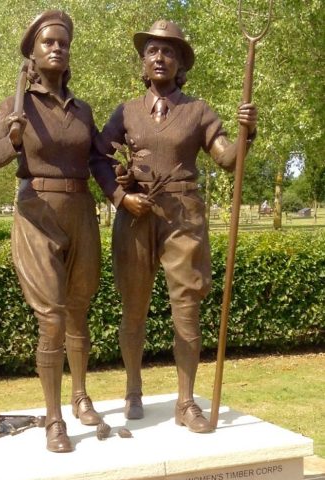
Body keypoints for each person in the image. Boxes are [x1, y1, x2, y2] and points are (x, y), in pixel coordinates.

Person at [94, 20, 257, 433]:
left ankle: (186, 402)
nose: (160, 57)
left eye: (169, 51)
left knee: (187, 308)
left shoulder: (198, 111)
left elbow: (226, 158)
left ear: (181, 62)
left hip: (184, 215)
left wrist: (246, 134)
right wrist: (119, 195)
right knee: (134, 306)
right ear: (144, 63)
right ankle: (133, 388)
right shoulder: (126, 111)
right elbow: (97, 157)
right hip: (135, 215)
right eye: (152, 51)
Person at [0, 10, 103, 453]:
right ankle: (54, 418)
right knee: (51, 316)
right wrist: (13, 140)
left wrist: (123, 185)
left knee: (78, 308)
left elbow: (98, 162)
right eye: (48, 42)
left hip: (80, 208)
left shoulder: (83, 110)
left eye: (63, 43)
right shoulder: (17, 106)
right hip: (36, 211)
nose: (57, 48)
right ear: (33, 51)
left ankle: (80, 394)